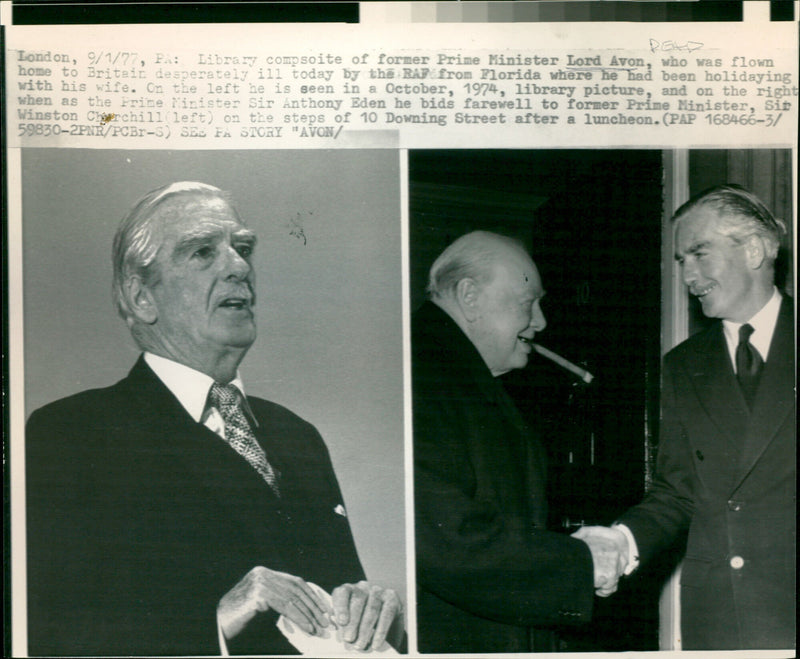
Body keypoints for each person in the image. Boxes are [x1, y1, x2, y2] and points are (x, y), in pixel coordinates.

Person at [26, 182, 402, 656]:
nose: (241, 267)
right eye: (203, 252)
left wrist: (373, 613)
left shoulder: (296, 435)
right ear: (142, 297)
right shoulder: (73, 434)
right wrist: (219, 619)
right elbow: (49, 633)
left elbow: (339, 602)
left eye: (242, 248)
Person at [574, 185, 795, 650]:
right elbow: (677, 491)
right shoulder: (683, 364)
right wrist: (621, 541)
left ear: (753, 249)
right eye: (680, 261)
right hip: (719, 619)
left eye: (699, 253)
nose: (687, 274)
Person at [412, 231, 622, 653]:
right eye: (528, 304)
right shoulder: (419, 376)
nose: (541, 321)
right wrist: (580, 564)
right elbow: (447, 540)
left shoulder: (458, 374)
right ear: (469, 296)